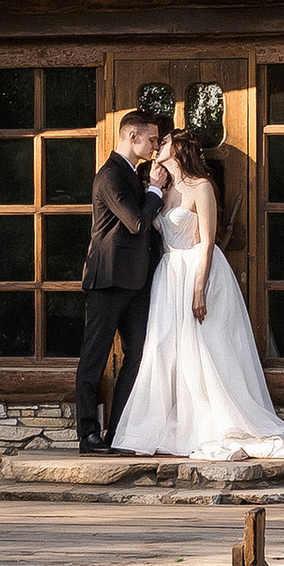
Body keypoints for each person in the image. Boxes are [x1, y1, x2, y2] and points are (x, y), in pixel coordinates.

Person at [111, 125, 284, 466]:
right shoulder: (163, 189)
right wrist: (154, 185)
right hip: (168, 274)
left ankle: (218, 422)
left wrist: (199, 289)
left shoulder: (201, 187)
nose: (157, 146)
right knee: (164, 349)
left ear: (178, 150)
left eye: (163, 142)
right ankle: (161, 427)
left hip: (198, 270)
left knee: (205, 350)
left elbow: (207, 241)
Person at [75, 109, 165, 450]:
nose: (156, 146)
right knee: (93, 359)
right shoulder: (110, 175)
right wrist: (155, 191)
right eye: (152, 139)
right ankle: (88, 434)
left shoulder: (135, 173)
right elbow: (136, 224)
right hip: (107, 281)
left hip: (137, 282)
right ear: (131, 136)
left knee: (138, 354)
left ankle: (119, 430)